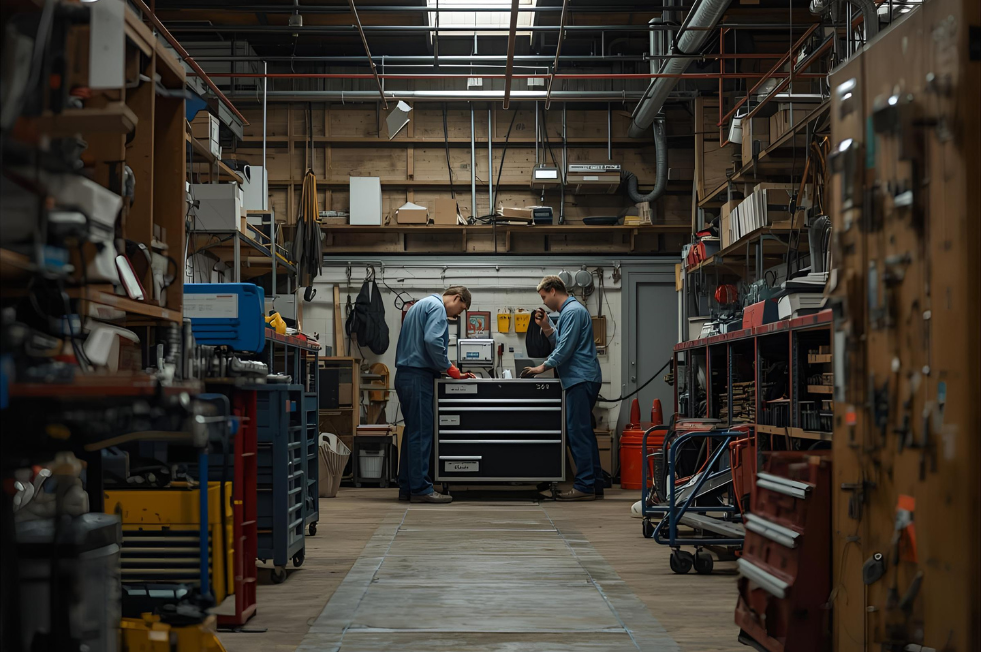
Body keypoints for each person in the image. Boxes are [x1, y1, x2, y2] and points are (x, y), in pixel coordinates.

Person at [523, 276, 604, 501]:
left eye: (543, 297)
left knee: (577, 432)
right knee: (583, 432)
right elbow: (561, 340)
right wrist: (547, 326)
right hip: (579, 378)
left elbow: (565, 349)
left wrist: (542, 367)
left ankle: (585, 486)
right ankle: (594, 483)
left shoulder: (572, 311)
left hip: (580, 379)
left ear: (552, 290)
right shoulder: (570, 312)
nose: (544, 302)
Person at [394, 286, 475, 504]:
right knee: (421, 434)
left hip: (406, 375)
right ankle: (421, 489)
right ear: (457, 297)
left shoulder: (419, 305)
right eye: (461, 309)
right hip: (418, 377)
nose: (457, 315)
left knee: (413, 433)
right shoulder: (437, 307)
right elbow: (432, 341)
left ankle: (407, 487)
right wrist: (452, 370)